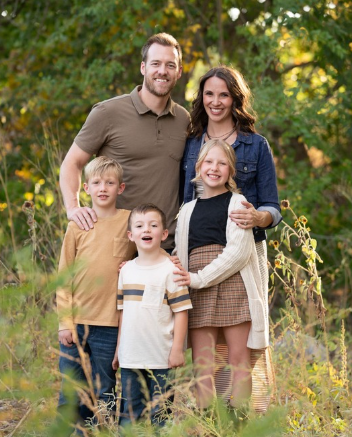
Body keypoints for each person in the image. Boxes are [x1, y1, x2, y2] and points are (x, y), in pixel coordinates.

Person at [181, 66, 281, 411]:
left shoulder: (256, 145)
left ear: (235, 99)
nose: (216, 101)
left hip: (244, 253)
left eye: (224, 94)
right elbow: (187, 202)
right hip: (197, 257)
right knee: (205, 355)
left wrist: (259, 217)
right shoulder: (193, 143)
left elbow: (272, 205)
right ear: (202, 98)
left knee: (243, 349)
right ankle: (211, 418)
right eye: (209, 94)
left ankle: (241, 416)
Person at [59, 32, 189, 252]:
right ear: (143, 68)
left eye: (170, 65)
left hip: (165, 247)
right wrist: (73, 208)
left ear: (179, 72)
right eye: (155, 63)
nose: (162, 71)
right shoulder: (107, 113)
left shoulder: (184, 120)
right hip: (114, 245)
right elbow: (72, 163)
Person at [174, 139, 269, 412]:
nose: (214, 168)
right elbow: (181, 255)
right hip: (197, 288)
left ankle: (238, 420)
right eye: (209, 162)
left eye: (222, 163)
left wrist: (198, 278)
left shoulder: (238, 203)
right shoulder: (187, 210)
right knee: (203, 362)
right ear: (198, 166)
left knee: (239, 358)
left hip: (233, 284)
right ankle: (209, 421)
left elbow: (238, 253)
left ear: (231, 171)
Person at [56, 156, 136, 434]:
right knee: (71, 390)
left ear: (121, 188)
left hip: (110, 325)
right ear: (86, 188)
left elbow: (147, 256)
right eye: (97, 183)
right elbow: (64, 277)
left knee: (105, 391)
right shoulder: (77, 225)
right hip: (76, 324)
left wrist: (139, 264)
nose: (103, 188)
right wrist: (64, 323)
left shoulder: (129, 222)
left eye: (110, 183)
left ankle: (96, 432)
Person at [112, 204, 192, 427]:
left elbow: (181, 311)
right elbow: (123, 313)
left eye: (153, 225)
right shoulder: (126, 271)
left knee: (162, 417)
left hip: (161, 357)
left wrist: (177, 349)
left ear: (164, 234)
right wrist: (119, 349)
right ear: (131, 235)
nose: (146, 230)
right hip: (130, 357)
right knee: (129, 416)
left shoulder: (171, 271)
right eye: (139, 226)